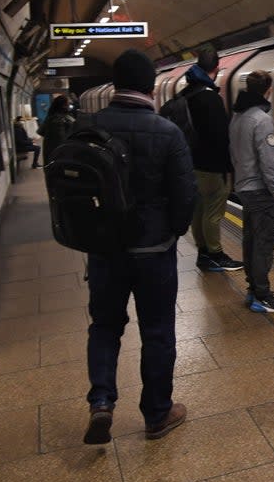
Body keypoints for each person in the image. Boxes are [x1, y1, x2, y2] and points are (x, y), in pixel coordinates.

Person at [82, 49, 196, 444]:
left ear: (115, 84)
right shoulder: (168, 132)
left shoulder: (88, 127)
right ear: (151, 86)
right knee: (158, 331)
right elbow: (185, 196)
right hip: (153, 251)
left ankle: (101, 402)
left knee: (105, 326)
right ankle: (157, 415)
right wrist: (172, 232)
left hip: (104, 250)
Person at [228, 69, 274, 313]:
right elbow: (269, 161)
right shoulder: (262, 120)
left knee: (251, 240)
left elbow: (233, 153)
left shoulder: (238, 117)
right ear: (268, 90)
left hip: (244, 187)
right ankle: (262, 295)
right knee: (263, 244)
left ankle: (254, 289)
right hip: (261, 190)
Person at [181, 48, 243, 272]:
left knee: (199, 209)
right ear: (216, 68)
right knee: (213, 212)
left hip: (193, 163)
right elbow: (220, 136)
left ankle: (203, 252)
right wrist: (229, 166)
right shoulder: (210, 98)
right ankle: (215, 253)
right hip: (213, 166)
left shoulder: (187, 94)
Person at [38, 94, 77, 165]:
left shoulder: (51, 116)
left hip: (51, 152)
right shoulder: (59, 120)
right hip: (59, 155)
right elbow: (60, 140)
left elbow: (41, 132)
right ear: (63, 106)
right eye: (68, 103)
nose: (70, 105)